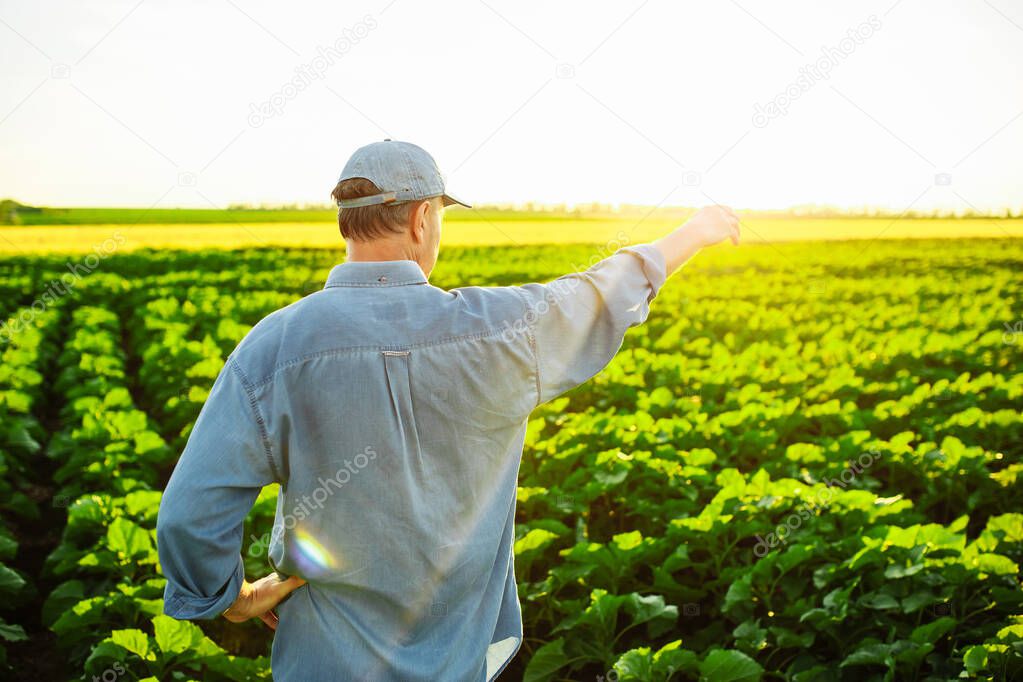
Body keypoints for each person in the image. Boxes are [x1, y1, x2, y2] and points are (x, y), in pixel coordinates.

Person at [156, 139, 740, 681]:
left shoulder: (273, 347)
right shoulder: (499, 331)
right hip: (457, 662)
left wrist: (231, 597)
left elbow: (188, 515)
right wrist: (696, 231)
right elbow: (598, 294)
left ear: (346, 224)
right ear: (421, 219)